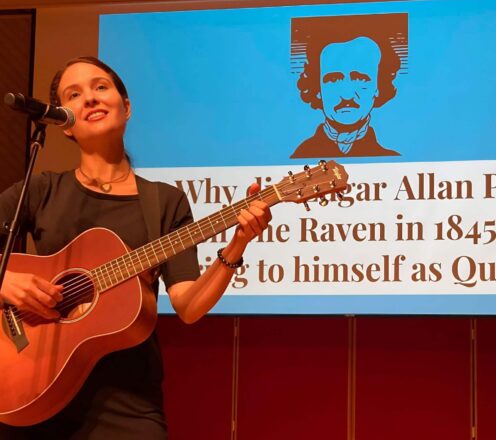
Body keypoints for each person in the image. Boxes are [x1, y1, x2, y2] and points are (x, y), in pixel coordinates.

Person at [0, 56, 272, 439]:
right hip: (31, 382)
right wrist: (5, 283)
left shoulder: (164, 201)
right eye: (74, 95)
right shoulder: (42, 189)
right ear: (63, 124)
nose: (90, 99)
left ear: (126, 107)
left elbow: (188, 305)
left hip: (125, 404)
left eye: (100, 87)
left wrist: (237, 244)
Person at [291, 29, 402, 158]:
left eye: (360, 79)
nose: (347, 95)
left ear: (378, 87)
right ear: (318, 89)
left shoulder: (391, 158)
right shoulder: (298, 157)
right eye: (333, 79)